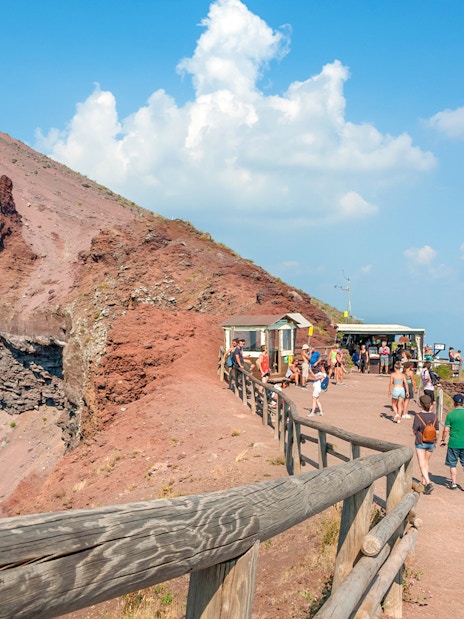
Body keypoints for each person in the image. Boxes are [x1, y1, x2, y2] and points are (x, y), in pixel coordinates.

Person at [412, 394, 439, 495]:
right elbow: (437, 431)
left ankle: (428, 483)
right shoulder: (435, 416)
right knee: (426, 463)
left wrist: (419, 435)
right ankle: (423, 482)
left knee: (421, 464)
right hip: (431, 443)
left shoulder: (418, 416)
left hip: (421, 442)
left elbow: (414, 430)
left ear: (421, 404)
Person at [440, 393, 464, 490]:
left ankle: (453, 483)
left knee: (453, 464)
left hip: (453, 443)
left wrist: (443, 439)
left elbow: (446, 430)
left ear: (454, 403)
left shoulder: (450, 415)